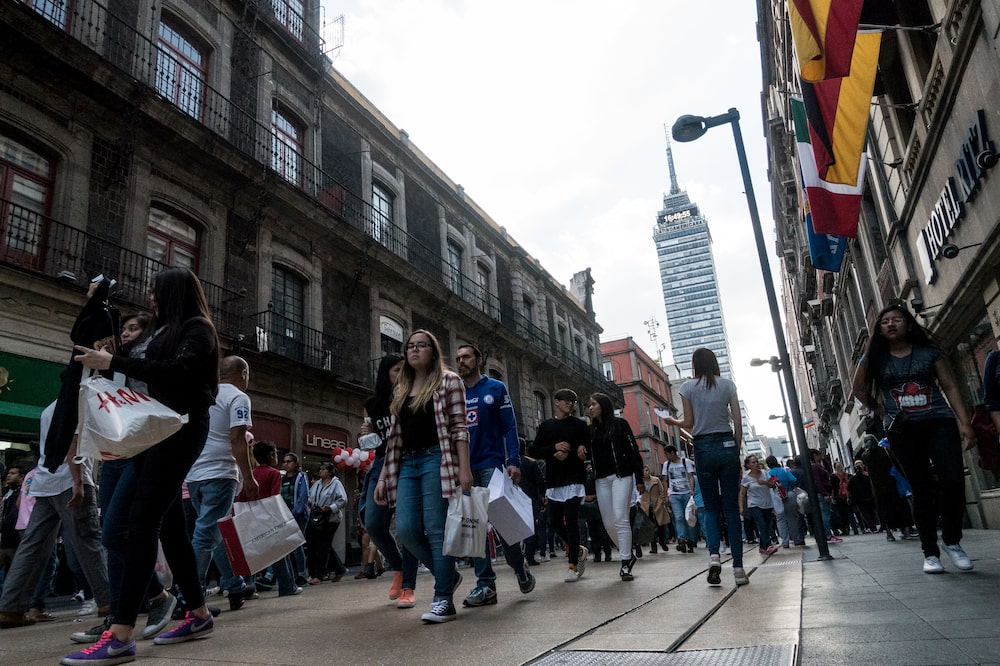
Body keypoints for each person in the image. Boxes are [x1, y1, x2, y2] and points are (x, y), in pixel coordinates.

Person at [68, 266, 222, 662]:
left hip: (180, 430)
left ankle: (121, 634)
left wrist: (114, 364)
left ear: (173, 293)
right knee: (169, 528)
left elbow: (178, 373)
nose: (150, 296)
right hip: (154, 430)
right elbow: (133, 358)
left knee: (138, 524)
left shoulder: (198, 329)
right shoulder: (162, 329)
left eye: (156, 290)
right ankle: (198, 614)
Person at [853, 302, 976, 574]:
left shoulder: (929, 352)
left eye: (897, 319)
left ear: (908, 325)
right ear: (879, 329)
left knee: (954, 480)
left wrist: (965, 422)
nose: (891, 324)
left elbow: (950, 385)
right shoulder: (874, 359)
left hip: (939, 421)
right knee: (921, 488)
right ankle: (930, 552)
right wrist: (880, 409)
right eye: (885, 321)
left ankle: (952, 540)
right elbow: (858, 388)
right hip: (902, 429)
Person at [374, 329, 472, 624]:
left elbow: (459, 426)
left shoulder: (449, 381)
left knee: (436, 529)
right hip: (406, 463)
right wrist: (383, 477)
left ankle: (443, 600)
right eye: (410, 346)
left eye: (421, 345)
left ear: (433, 351)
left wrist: (464, 468)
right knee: (405, 530)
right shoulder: (402, 386)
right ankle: (448, 576)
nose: (414, 350)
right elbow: (394, 437)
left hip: (436, 459)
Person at [0, 403, 111, 630]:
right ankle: (109, 600)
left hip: (44, 482)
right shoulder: (80, 403)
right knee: (88, 542)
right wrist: (78, 481)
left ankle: (10, 607)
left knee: (32, 546)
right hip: (69, 480)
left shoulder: (47, 410)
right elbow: (73, 444)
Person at [455, 344, 535, 606]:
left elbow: (509, 426)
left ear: (478, 359)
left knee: (503, 526)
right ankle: (485, 585)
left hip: (492, 465)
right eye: (458, 358)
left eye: (466, 357)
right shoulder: (455, 393)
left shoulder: (496, 388)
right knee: (474, 528)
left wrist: (513, 461)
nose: (461, 361)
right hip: (466, 469)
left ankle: (519, 567)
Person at [663, 348, 746, 587]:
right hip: (727, 444)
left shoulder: (687, 388)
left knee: (710, 508)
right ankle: (738, 569)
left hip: (703, 448)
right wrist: (735, 450)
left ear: (695, 364)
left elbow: (689, 423)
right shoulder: (728, 385)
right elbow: (737, 420)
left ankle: (714, 556)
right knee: (731, 509)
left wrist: (673, 421)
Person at [186, 356, 259, 611]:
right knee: (206, 536)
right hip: (220, 473)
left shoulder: (203, 393)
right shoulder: (238, 397)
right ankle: (189, 597)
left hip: (194, 475)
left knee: (214, 534)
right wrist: (248, 477)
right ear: (243, 373)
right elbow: (238, 438)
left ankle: (234, 585)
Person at [359, 353, 420, 608]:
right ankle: (398, 567)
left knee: (407, 527)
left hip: (407, 461)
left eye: (405, 370)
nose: (402, 374)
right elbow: (371, 441)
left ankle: (408, 586)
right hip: (382, 462)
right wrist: (367, 433)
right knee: (373, 522)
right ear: (386, 373)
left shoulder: (411, 398)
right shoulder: (372, 404)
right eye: (397, 370)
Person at [530, 388, 589, 582]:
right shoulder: (546, 426)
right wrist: (553, 449)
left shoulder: (580, 425)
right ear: (556, 402)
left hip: (575, 477)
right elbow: (535, 450)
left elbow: (586, 447)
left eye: (572, 400)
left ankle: (573, 565)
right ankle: (577, 549)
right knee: (554, 521)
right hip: (554, 480)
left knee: (571, 520)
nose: (570, 403)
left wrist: (576, 451)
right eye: (565, 400)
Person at [585, 392, 644, 581]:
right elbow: (587, 455)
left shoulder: (620, 424)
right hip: (601, 480)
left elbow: (633, 451)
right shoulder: (590, 431)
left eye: (594, 404)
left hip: (622, 476)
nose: (590, 408)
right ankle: (628, 552)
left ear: (603, 405)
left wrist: (639, 478)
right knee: (609, 524)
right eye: (589, 405)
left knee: (620, 518)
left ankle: (625, 562)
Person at [236, 440, 301, 596]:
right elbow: (275, 498)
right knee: (279, 553)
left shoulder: (251, 474)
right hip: (269, 519)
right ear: (272, 455)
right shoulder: (274, 473)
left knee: (252, 553)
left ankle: (248, 586)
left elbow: (241, 497)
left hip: (251, 519)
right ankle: (287, 586)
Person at [305, 461, 347, 585]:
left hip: (331, 518)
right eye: (320, 468)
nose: (321, 471)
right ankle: (339, 568)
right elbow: (310, 497)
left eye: (324, 469)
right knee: (318, 544)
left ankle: (319, 575)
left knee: (323, 545)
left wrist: (330, 507)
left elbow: (343, 499)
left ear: (329, 472)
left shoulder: (336, 483)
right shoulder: (317, 484)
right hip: (317, 517)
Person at [279, 452, 310, 585]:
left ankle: (301, 574)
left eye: (289, 461)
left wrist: (295, 513)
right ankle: (289, 574)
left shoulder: (301, 476)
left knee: (296, 544)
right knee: (284, 546)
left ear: (296, 463)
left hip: (298, 516)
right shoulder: (282, 478)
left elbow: (303, 496)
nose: (286, 464)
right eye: (284, 461)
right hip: (283, 516)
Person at [661, 445, 697, 553]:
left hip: (686, 493)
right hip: (674, 495)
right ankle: (681, 539)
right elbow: (664, 480)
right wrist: (666, 495)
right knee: (679, 517)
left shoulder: (686, 462)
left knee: (688, 517)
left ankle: (690, 539)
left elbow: (691, 476)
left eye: (667, 454)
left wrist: (692, 490)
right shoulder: (666, 465)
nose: (666, 456)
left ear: (672, 453)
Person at [739, 454, 777, 555]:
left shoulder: (765, 473)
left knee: (766, 526)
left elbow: (773, 485)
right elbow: (742, 493)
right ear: (748, 464)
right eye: (753, 462)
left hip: (767, 504)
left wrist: (765, 483)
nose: (756, 464)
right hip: (754, 504)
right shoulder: (746, 477)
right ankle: (768, 546)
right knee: (762, 526)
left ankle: (762, 547)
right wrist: (741, 507)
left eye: (756, 461)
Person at [764, 455, 799, 548]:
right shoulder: (784, 471)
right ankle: (796, 539)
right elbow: (793, 480)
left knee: (780, 519)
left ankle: (785, 542)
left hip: (776, 497)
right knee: (792, 517)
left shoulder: (767, 474)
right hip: (788, 493)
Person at [639, 465, 670, 553]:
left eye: (647, 470)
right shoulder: (640, 482)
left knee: (661, 525)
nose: (646, 472)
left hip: (657, 504)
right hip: (646, 506)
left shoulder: (656, 480)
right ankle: (653, 546)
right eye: (644, 471)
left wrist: (661, 501)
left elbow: (661, 491)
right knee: (650, 527)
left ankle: (662, 541)